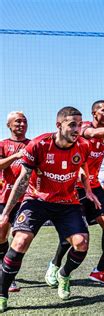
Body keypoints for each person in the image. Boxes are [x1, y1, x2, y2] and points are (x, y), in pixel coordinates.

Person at [0, 106, 101, 311]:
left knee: (81, 243)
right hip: (37, 200)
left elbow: (84, 166)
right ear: (59, 125)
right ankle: (2, 294)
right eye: (72, 124)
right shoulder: (39, 144)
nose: (77, 129)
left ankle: (63, 274)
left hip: (67, 202)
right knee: (20, 241)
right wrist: (6, 213)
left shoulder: (82, 145)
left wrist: (89, 190)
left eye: (80, 125)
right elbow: (22, 181)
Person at [45, 100, 104, 287]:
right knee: (73, 233)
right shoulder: (85, 128)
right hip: (74, 186)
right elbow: (94, 133)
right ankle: (55, 265)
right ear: (93, 113)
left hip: (94, 185)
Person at [0, 111, 30, 293]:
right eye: (17, 122)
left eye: (24, 121)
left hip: (27, 199)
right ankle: (3, 268)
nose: (21, 124)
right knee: (2, 232)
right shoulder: (3, 144)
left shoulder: (33, 144)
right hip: (5, 197)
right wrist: (15, 156)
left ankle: (8, 276)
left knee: (20, 237)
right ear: (9, 125)